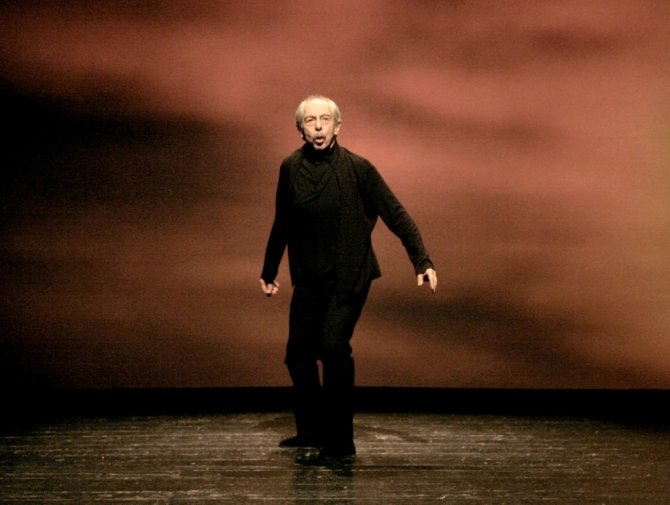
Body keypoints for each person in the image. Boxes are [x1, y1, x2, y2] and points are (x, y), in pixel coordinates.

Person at [260, 95, 437, 459]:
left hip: (348, 278)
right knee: (298, 356)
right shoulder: (290, 168)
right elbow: (283, 222)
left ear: (338, 126)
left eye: (325, 120)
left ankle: (340, 443)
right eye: (311, 121)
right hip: (309, 279)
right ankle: (311, 430)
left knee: (333, 348)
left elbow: (395, 214)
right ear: (300, 129)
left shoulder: (358, 169)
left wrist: (422, 261)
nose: (318, 126)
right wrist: (269, 269)